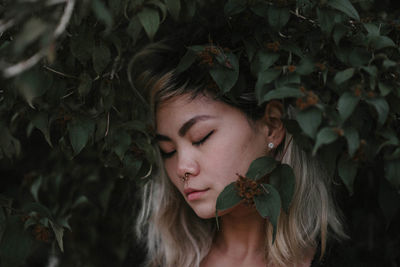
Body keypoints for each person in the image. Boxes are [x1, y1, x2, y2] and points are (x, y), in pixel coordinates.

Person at [135, 46, 347, 267]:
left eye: (201, 137)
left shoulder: (337, 259)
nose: (182, 167)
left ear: (272, 127)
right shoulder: (156, 261)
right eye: (168, 151)